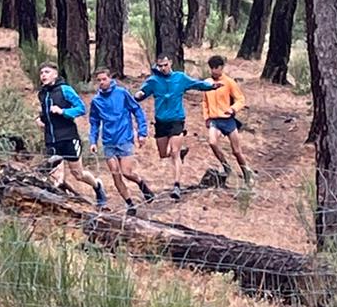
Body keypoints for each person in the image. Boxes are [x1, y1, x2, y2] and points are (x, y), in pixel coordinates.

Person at [135, 55, 216, 201]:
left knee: (174, 153)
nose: (163, 68)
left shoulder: (180, 78)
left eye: (165, 65)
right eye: (160, 66)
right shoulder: (153, 81)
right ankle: (180, 154)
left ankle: (177, 186)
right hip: (161, 122)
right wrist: (139, 95)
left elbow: (196, 84)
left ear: (170, 63)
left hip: (177, 120)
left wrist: (211, 86)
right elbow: (142, 93)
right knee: (163, 154)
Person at [36, 61, 107, 207]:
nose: (43, 75)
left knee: (78, 174)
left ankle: (97, 186)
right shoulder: (42, 94)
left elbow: (81, 108)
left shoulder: (65, 90)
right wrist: (40, 120)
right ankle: (60, 205)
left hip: (68, 137)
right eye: (41, 73)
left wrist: (63, 111)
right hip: (51, 139)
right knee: (55, 175)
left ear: (55, 74)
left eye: (47, 72)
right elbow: (45, 113)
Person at [88, 69, 154, 211]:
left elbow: (137, 110)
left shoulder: (122, 93)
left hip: (125, 138)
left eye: (104, 79)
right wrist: (93, 141)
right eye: (99, 80)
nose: (102, 82)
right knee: (115, 174)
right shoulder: (96, 101)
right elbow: (94, 122)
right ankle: (130, 204)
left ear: (110, 78)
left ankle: (141, 184)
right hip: (108, 141)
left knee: (126, 172)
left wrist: (142, 133)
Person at [201, 54, 254, 187]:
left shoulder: (229, 82)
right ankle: (226, 166)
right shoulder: (207, 83)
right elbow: (204, 102)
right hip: (214, 120)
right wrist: (206, 117)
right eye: (212, 68)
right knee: (212, 142)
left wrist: (233, 109)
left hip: (228, 120)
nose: (214, 71)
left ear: (222, 68)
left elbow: (240, 99)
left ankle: (247, 173)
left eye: (216, 68)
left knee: (236, 151)